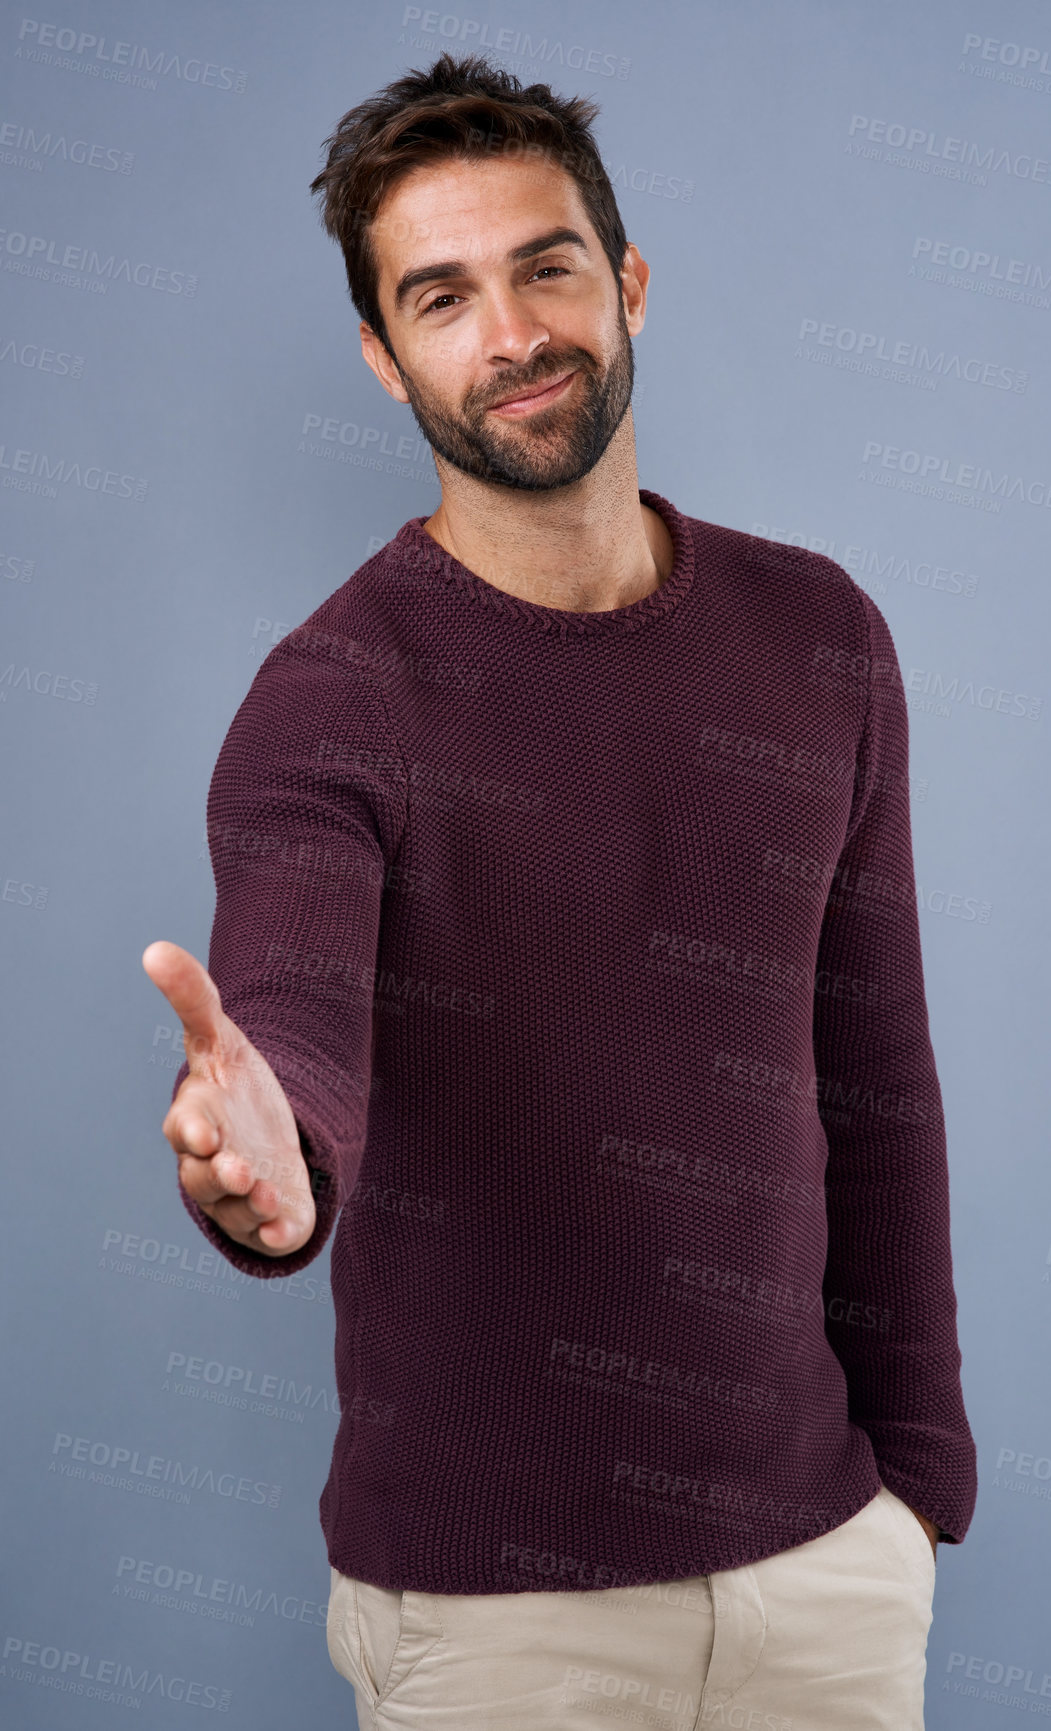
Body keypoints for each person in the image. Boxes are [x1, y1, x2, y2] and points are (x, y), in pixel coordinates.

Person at [143, 50, 977, 1729]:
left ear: (631, 282)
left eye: (547, 266)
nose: (511, 333)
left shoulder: (822, 637)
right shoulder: (329, 701)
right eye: (441, 297)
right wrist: (275, 1150)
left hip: (827, 1573)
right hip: (496, 1618)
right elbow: (294, 1007)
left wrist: (920, 1497)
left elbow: (874, 1075)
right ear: (386, 361)